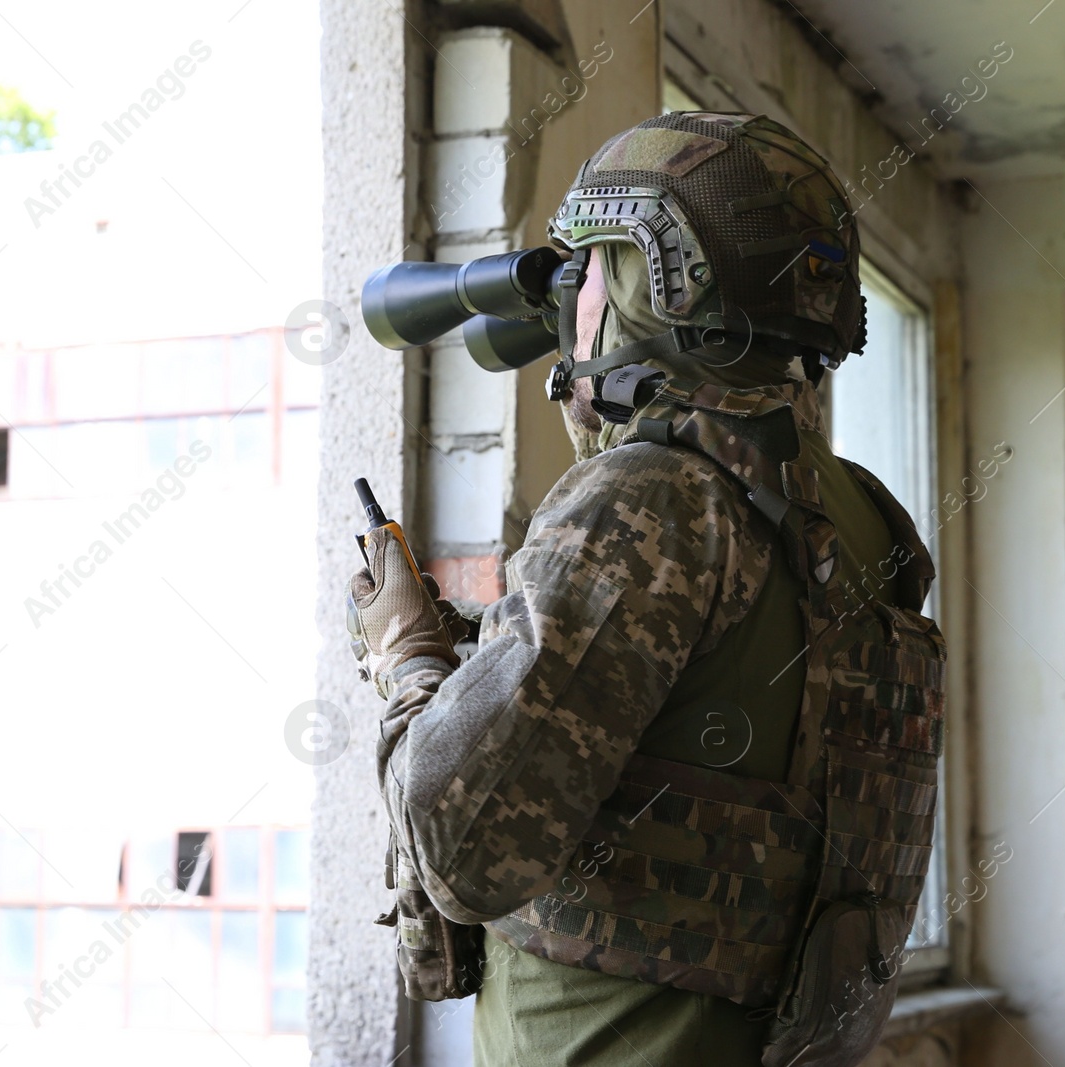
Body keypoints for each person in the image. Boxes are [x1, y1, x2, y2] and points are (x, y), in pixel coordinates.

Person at [347, 112, 946, 1066]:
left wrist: (408, 656)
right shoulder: (860, 513)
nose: (570, 300)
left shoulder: (649, 495)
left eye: (588, 269)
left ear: (645, 280)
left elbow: (460, 846)